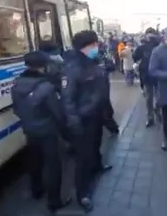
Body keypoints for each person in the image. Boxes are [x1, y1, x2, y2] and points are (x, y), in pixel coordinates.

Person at [11, 51, 71, 213]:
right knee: (52, 166)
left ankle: (36, 191)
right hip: (48, 131)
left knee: (35, 162)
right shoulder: (46, 87)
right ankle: (54, 201)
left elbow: (16, 109)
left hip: (29, 130)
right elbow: (57, 112)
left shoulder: (16, 84)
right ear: (44, 66)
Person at [61, 30, 112, 212]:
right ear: (86, 46)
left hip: (96, 116)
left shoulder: (93, 63)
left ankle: (97, 167)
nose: (97, 47)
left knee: (95, 146)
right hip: (83, 120)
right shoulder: (73, 68)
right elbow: (68, 100)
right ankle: (82, 194)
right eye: (94, 45)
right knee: (83, 159)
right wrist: (75, 124)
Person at [133, 28, 161, 127]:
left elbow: (135, 58)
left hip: (156, 75)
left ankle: (155, 113)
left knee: (156, 97)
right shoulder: (142, 48)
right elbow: (135, 57)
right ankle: (151, 116)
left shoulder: (159, 46)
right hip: (149, 75)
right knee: (151, 97)